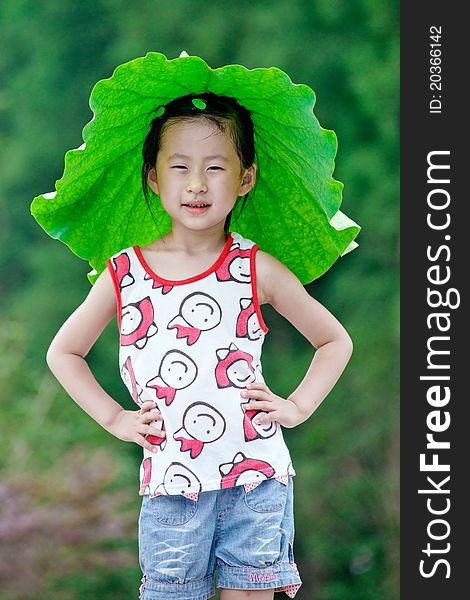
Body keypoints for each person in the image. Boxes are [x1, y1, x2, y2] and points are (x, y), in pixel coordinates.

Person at [37, 53, 358, 600]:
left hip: (256, 478)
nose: (197, 184)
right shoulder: (124, 272)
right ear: (154, 177)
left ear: (245, 178)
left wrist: (297, 405)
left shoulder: (255, 268)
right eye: (180, 167)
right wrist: (115, 417)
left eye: (216, 167)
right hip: (171, 483)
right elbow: (63, 353)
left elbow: (333, 340)